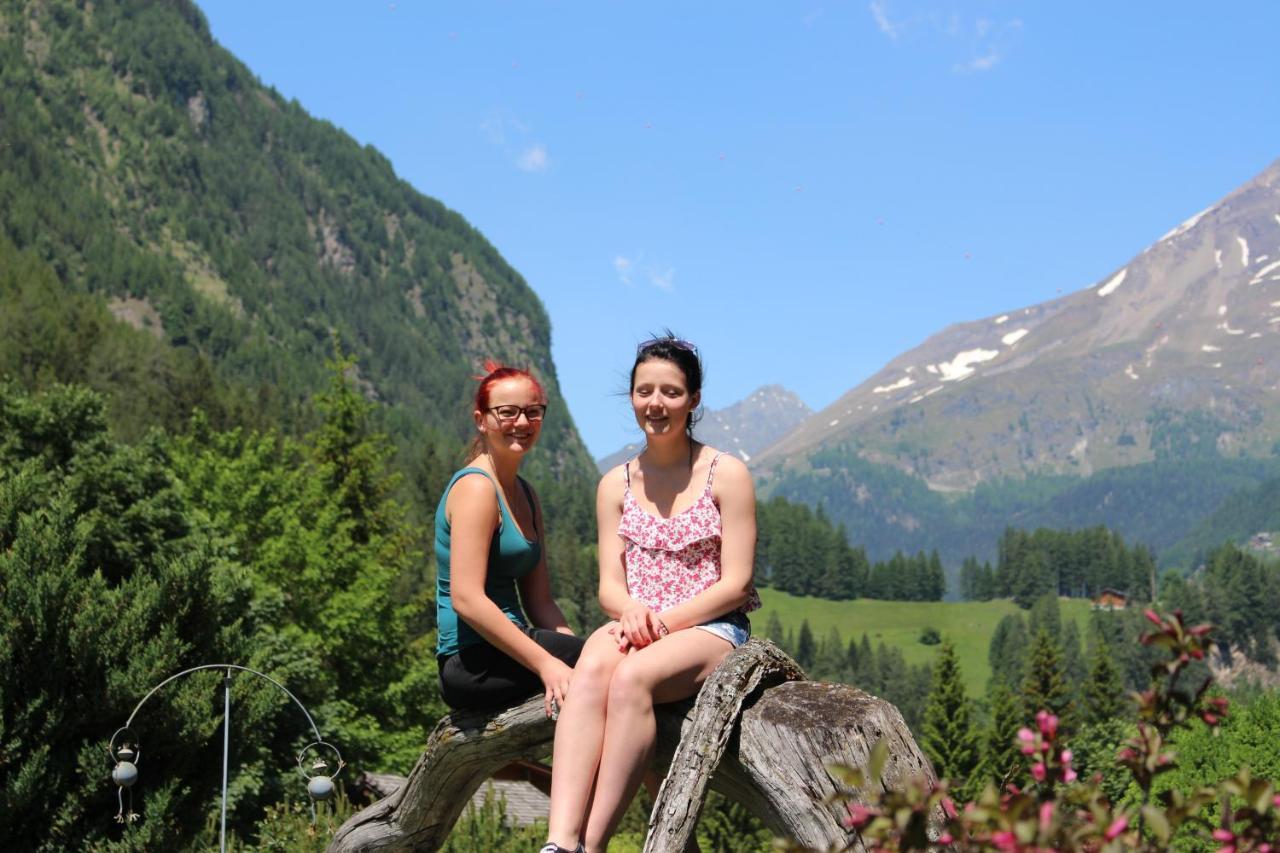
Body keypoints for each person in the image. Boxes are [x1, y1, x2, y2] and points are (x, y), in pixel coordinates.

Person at [542, 335, 761, 853]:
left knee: (633, 679)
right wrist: (633, 610)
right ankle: (559, 842)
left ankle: (592, 845)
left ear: (694, 399)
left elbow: (736, 584)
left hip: (711, 626)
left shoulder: (726, 474)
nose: (655, 404)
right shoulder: (614, 484)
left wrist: (663, 624)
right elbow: (609, 587)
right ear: (633, 397)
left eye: (670, 392)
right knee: (590, 672)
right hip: (635, 621)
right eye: (644, 391)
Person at [435, 360, 584, 717]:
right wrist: (548, 664)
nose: (521, 423)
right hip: (471, 661)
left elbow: (542, 603)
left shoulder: (527, 496)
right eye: (507, 412)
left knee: (604, 660)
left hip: (508, 652)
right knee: (604, 666)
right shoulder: (476, 488)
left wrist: (574, 650)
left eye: (532, 412)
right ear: (481, 420)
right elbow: (466, 598)